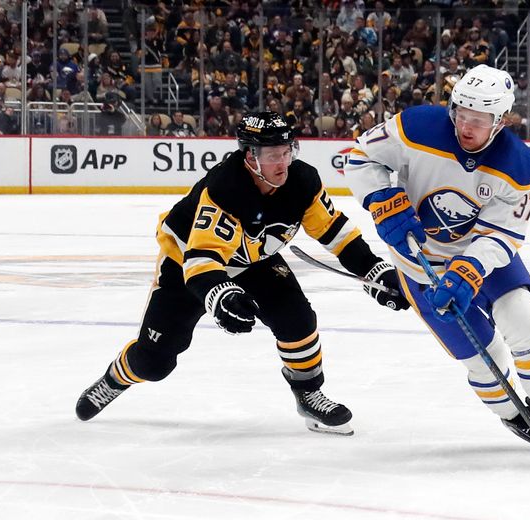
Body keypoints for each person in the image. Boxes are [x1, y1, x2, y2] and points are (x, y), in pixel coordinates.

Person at [75, 112, 409, 435]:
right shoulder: (225, 188)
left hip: (252, 259)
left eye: (286, 151)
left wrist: (374, 270)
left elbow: (335, 232)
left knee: (296, 319)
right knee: (154, 364)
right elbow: (201, 260)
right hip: (186, 262)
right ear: (250, 157)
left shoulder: (303, 181)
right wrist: (220, 295)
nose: (283, 163)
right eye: (272, 155)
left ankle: (308, 394)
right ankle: (116, 379)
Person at [344, 64, 530, 462]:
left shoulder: (520, 166)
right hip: (419, 265)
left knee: (522, 319)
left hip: (484, 255)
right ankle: (514, 415)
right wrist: (381, 200)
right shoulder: (417, 126)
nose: (466, 126)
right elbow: (359, 159)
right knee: (483, 356)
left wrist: (468, 270)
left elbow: (501, 234)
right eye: (460, 114)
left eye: (479, 119)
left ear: (501, 120)